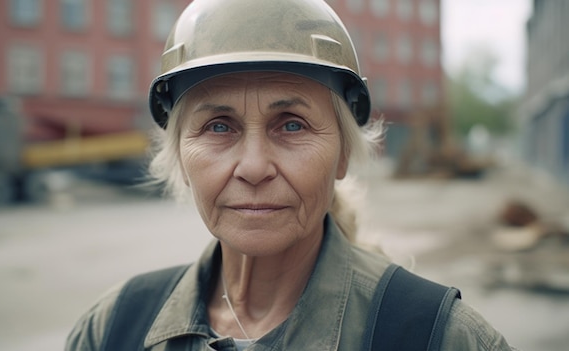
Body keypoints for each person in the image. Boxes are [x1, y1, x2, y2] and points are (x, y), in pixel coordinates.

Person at [66, 0, 516, 350]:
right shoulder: (113, 329)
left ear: (342, 155)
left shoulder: (439, 338)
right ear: (182, 160)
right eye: (219, 127)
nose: (255, 167)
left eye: (292, 125)